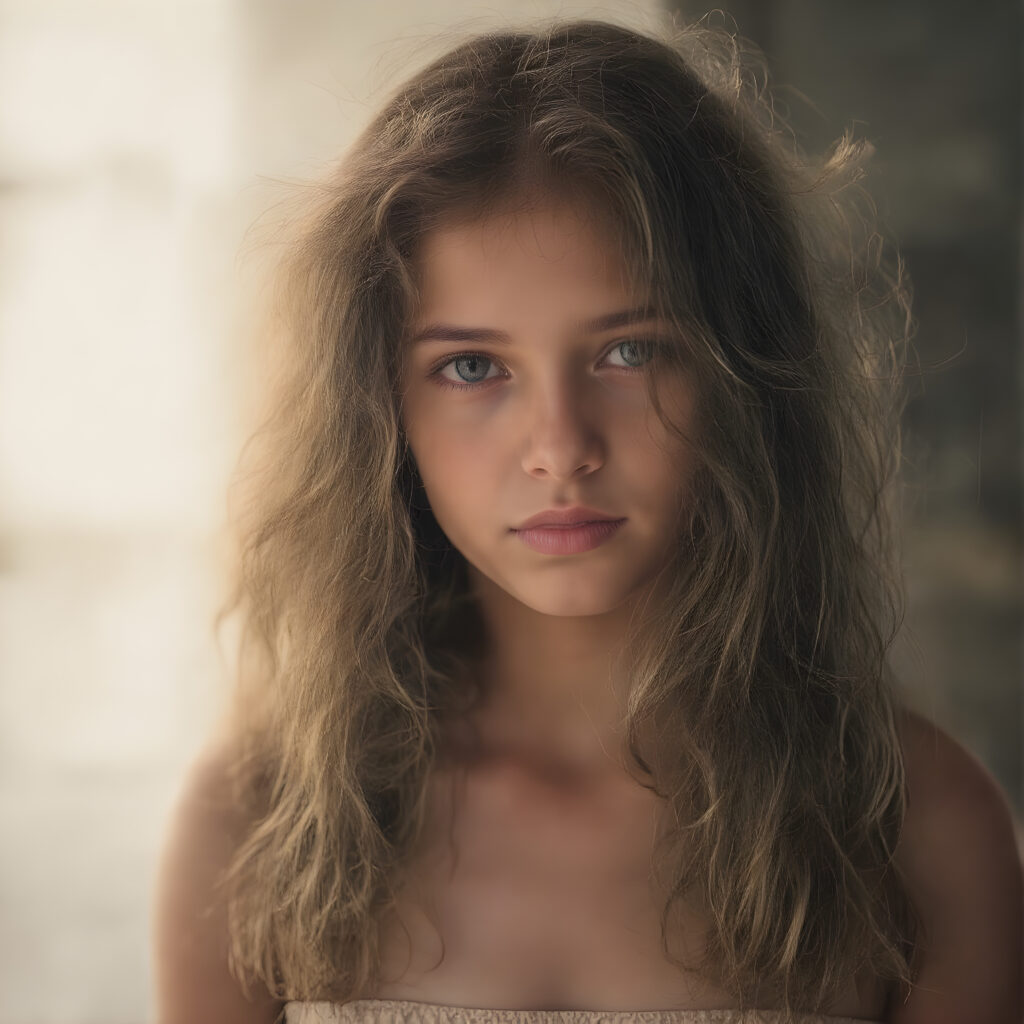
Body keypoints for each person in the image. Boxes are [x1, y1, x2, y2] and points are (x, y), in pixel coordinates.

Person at [151, 14, 1023, 1024]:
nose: (560, 446)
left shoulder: (914, 827)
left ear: (744, 373)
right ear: (379, 409)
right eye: (472, 367)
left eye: (628, 352)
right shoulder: (257, 823)